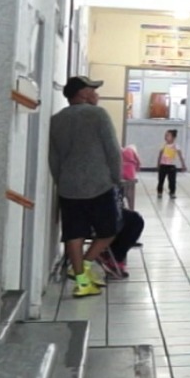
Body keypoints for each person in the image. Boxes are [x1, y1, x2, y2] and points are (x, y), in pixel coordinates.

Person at [48, 76, 122, 298]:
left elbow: (54, 158)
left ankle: (81, 281)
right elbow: (112, 149)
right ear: (82, 94)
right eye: (93, 90)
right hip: (99, 184)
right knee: (109, 230)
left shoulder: (56, 120)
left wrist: (61, 181)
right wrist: (117, 178)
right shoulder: (98, 114)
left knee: (74, 233)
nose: (96, 94)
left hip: (68, 187)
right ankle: (86, 265)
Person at [156, 130, 186, 197]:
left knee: (172, 181)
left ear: (173, 138)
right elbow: (160, 155)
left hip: (172, 166)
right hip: (163, 165)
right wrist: (158, 164)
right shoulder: (163, 145)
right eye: (165, 135)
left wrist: (183, 165)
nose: (166, 137)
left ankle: (172, 192)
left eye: (168, 135)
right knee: (161, 180)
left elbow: (180, 156)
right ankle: (159, 192)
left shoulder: (176, 146)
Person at [120, 142, 141, 210]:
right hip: (130, 173)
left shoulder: (121, 151)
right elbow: (138, 162)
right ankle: (131, 208)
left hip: (121, 172)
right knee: (130, 189)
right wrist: (137, 169)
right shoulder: (133, 152)